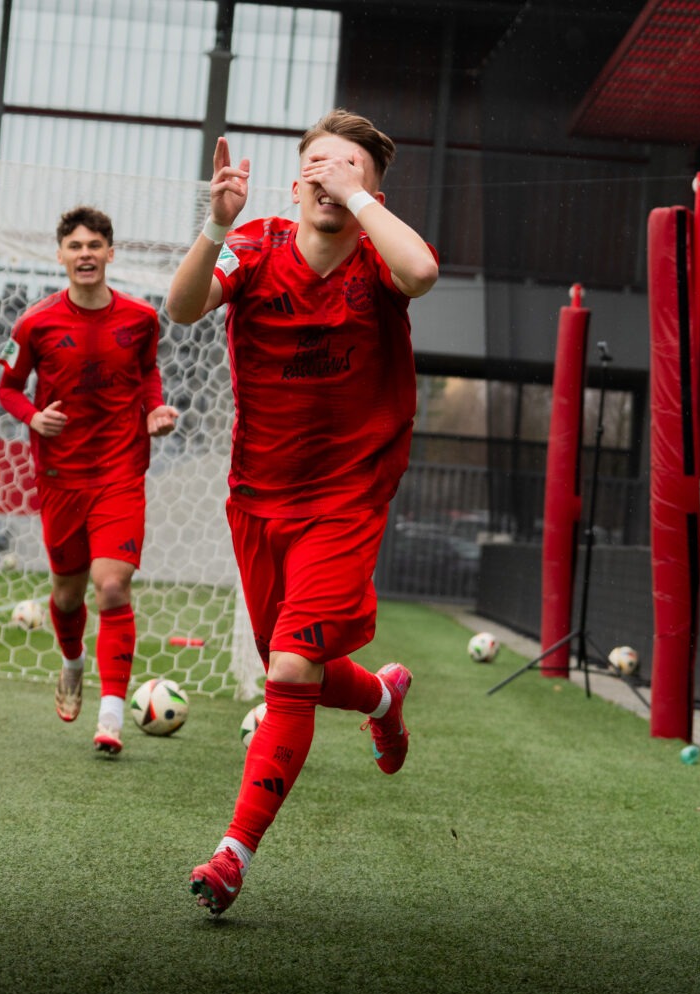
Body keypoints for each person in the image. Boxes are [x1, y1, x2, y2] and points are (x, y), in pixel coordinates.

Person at [166, 108, 439, 915]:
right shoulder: (256, 248)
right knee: (303, 672)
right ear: (293, 183)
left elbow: (421, 273)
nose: (329, 175)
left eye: (348, 168)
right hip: (257, 497)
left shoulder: (380, 256)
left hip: (346, 499)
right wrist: (214, 227)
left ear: (370, 189)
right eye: (317, 164)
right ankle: (383, 700)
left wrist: (361, 203)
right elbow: (181, 310)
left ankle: (231, 855)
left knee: (287, 670)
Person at [0, 206, 178, 755]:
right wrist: (33, 417)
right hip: (60, 478)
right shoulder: (34, 323)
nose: (85, 255)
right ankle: (73, 663)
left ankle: (112, 716)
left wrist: (154, 410)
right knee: (68, 594)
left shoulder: (142, 318)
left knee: (112, 586)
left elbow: (148, 372)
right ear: (60, 255)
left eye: (94, 245)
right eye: (75, 246)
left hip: (121, 470)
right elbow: (7, 389)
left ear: (110, 254)